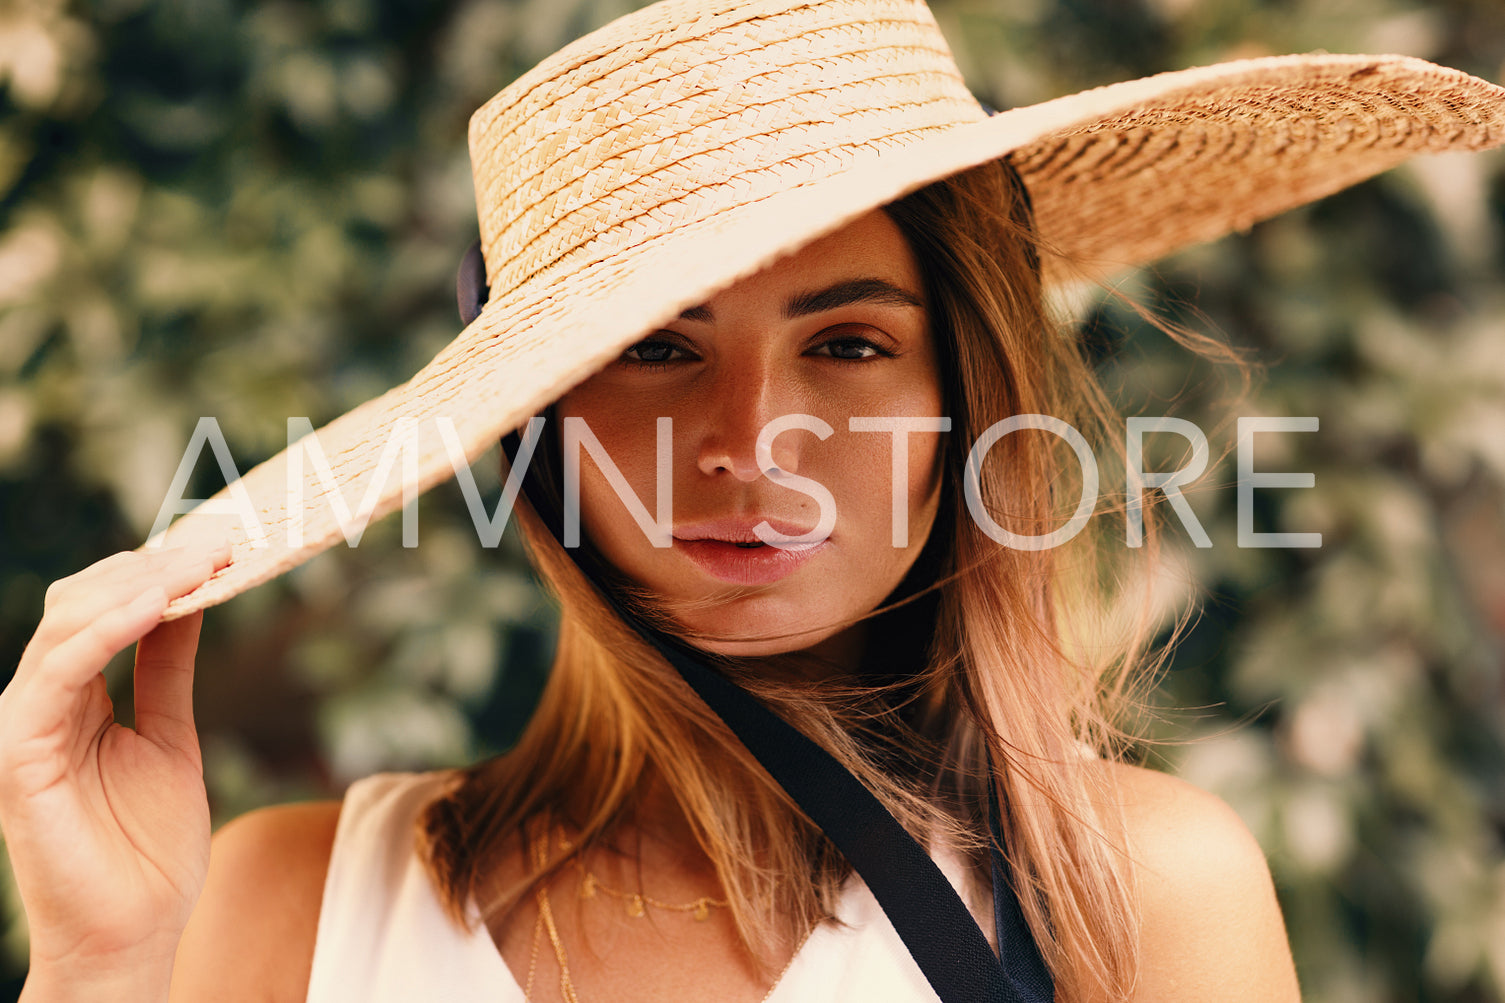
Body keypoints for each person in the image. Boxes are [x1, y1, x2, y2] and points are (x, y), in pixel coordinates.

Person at [3, 1, 1502, 1001]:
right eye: (654, 350)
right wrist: (98, 968)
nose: (750, 443)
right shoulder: (286, 906)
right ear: (539, 425)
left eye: (848, 345)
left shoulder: (1133, 901)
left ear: (959, 404)